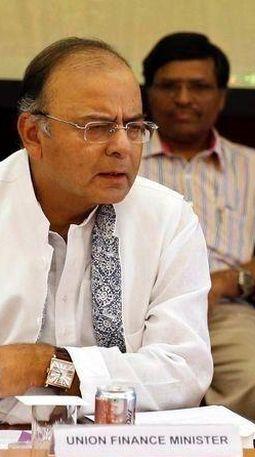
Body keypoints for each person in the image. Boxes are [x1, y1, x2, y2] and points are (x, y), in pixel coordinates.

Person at [0, 37, 212, 423]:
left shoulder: (168, 220)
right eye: (96, 128)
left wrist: (46, 365)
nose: (122, 147)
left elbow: (183, 373)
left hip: (119, 450)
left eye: (133, 127)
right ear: (33, 134)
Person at [139, 32, 255, 423]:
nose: (183, 99)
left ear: (222, 96)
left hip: (223, 313)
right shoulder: (121, 160)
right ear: (148, 93)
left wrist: (227, 281)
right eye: (169, 86)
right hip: (130, 307)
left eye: (198, 87)